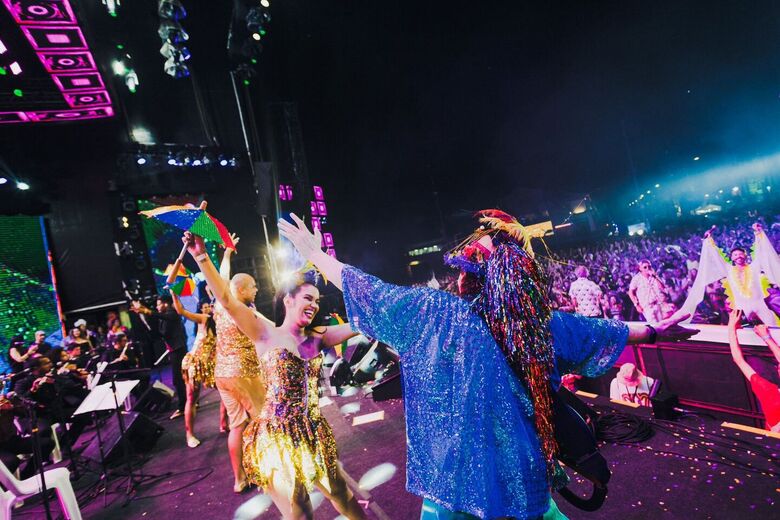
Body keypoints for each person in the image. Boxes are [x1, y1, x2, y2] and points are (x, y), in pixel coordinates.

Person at [279, 210, 696, 520]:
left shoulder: (436, 312)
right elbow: (611, 331)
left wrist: (316, 254)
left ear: (466, 276)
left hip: (454, 489)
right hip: (528, 483)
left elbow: (368, 288)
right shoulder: (542, 326)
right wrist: (659, 331)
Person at [184, 231, 366, 519]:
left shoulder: (316, 336)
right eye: (308, 297)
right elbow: (228, 301)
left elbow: (359, 326)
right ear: (288, 300)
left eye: (317, 300)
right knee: (301, 508)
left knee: (341, 494)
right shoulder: (264, 333)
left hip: (314, 429)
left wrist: (381, 315)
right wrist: (201, 256)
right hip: (279, 436)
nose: (314, 304)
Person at [675, 224, 780, 325]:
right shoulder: (728, 269)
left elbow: (760, 251)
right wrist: (709, 240)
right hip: (741, 308)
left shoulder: (754, 267)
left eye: (740, 254)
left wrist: (758, 233)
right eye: (735, 254)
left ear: (745, 256)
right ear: (732, 258)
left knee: (773, 326)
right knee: (743, 332)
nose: (738, 256)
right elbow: (716, 256)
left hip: (760, 305)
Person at [171, 292, 224, 448]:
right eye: (206, 307)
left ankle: (223, 423)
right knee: (192, 398)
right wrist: (174, 293)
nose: (209, 309)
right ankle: (189, 434)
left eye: (211, 306)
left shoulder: (220, 322)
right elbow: (181, 311)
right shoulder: (203, 320)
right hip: (195, 364)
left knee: (227, 391)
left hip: (211, 365)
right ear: (201, 309)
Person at [131, 294, 188, 420]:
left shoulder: (172, 313)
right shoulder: (163, 318)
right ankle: (188, 402)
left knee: (178, 379)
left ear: (166, 304)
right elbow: (160, 331)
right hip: (173, 349)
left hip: (178, 349)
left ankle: (183, 407)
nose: (157, 307)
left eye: (158, 304)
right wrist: (143, 314)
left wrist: (146, 311)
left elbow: (162, 316)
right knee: (180, 379)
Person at [727, 310, 780, 432]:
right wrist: (766, 337)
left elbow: (738, 360)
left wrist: (731, 327)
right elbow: (738, 360)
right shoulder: (768, 390)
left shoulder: (768, 390)